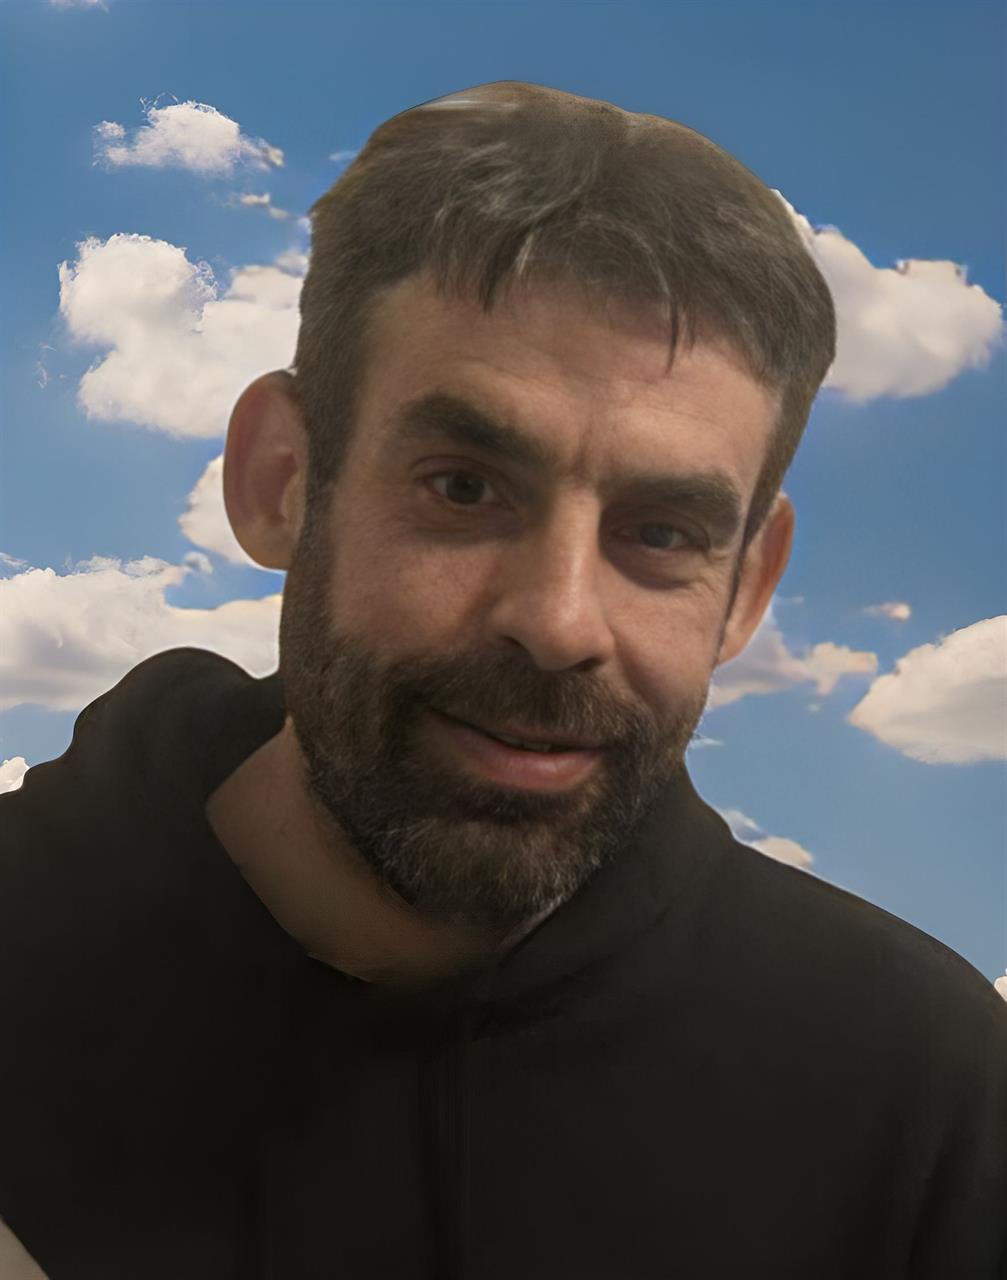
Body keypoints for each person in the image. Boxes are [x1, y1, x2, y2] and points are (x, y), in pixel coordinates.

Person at [2, 80, 1004, 1280]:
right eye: (464, 488)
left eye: (661, 533)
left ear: (746, 585)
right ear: (281, 480)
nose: (558, 621)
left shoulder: (926, 1099)